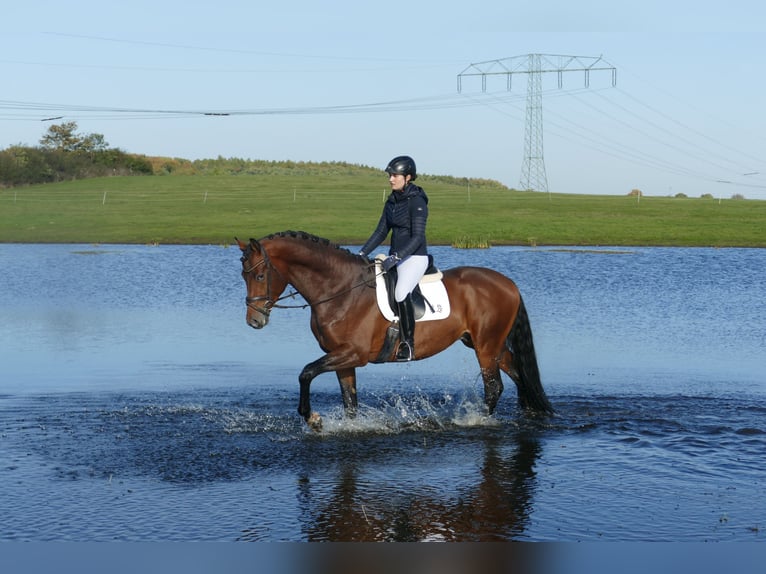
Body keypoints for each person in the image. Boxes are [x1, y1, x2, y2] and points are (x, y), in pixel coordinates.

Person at [358, 155, 429, 361]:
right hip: (395, 258)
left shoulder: (417, 202)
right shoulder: (391, 202)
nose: (391, 179)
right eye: (390, 175)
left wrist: (397, 257)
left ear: (408, 177)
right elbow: (381, 232)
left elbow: (417, 238)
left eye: (395, 175)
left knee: (400, 293)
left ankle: (408, 344)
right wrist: (362, 253)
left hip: (414, 257)